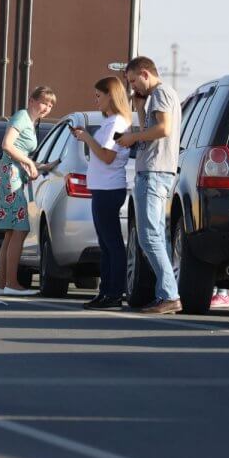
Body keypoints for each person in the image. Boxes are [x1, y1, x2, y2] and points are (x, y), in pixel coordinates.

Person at [117, 56, 183, 314]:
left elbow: (163, 129)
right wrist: (140, 108)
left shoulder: (161, 93)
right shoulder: (156, 97)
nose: (133, 87)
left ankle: (169, 295)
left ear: (145, 73)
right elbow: (151, 128)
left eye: (134, 81)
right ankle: (165, 293)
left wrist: (132, 136)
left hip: (154, 171)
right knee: (155, 235)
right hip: (154, 170)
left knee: (149, 236)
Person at [70, 77, 133, 310]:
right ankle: (106, 291)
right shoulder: (113, 122)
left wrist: (86, 137)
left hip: (108, 188)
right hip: (103, 188)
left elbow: (108, 156)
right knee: (106, 244)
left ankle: (114, 292)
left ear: (111, 95)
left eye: (99, 96)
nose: (96, 101)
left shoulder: (116, 122)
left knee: (112, 243)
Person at [0, 85, 56, 297]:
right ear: (31, 100)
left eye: (50, 105)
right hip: (10, 176)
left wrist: (41, 166)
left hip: (11, 174)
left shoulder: (30, 122)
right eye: (43, 102)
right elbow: (7, 145)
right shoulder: (21, 117)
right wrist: (30, 163)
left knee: (11, 232)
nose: (46, 108)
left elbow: (18, 152)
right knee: (19, 230)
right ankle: (11, 283)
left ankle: (3, 284)